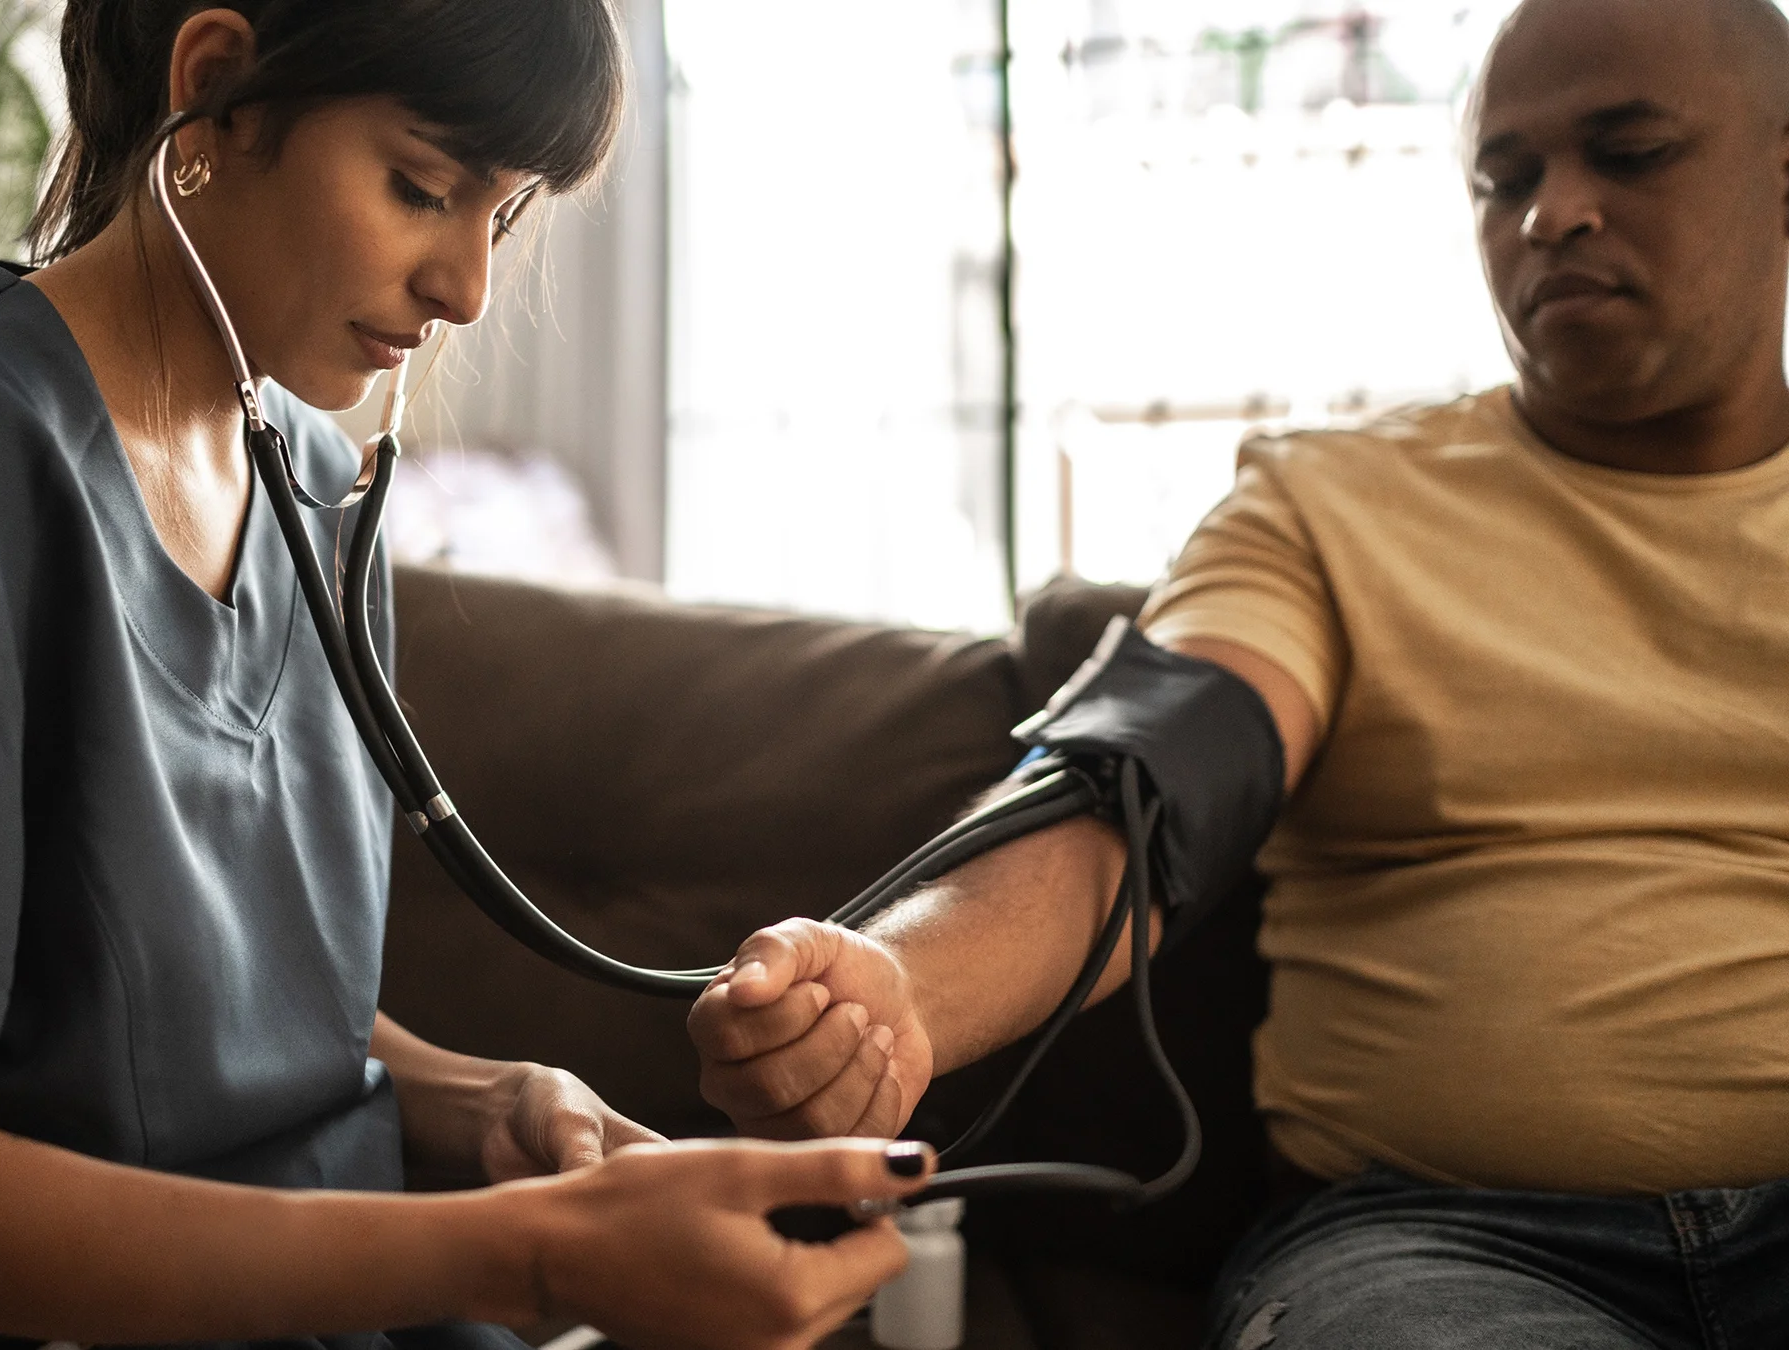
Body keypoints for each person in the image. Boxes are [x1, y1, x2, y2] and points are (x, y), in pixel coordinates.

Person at [0, 4, 935, 1349]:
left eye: (501, 218)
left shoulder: (318, 488)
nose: (466, 287)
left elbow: (224, 1034)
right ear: (215, 92)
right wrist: (531, 1255)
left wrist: (484, 1100)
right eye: (421, 188)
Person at [685, 0, 1789, 1344]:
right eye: (1505, 180)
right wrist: (900, 989)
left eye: (1628, 154)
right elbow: (1140, 788)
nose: (1552, 214)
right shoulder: (1332, 507)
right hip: (1445, 1245)